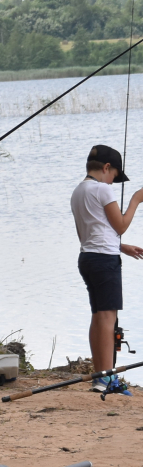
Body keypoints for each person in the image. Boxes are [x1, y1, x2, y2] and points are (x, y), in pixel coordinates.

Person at [70, 144, 143, 395]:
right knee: (107, 317)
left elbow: (94, 230)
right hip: (103, 261)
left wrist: (120, 247)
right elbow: (120, 225)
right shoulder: (103, 190)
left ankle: (101, 375)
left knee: (99, 316)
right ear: (107, 168)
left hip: (89, 258)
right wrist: (136, 199)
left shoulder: (79, 190)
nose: (113, 182)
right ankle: (105, 378)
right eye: (114, 177)